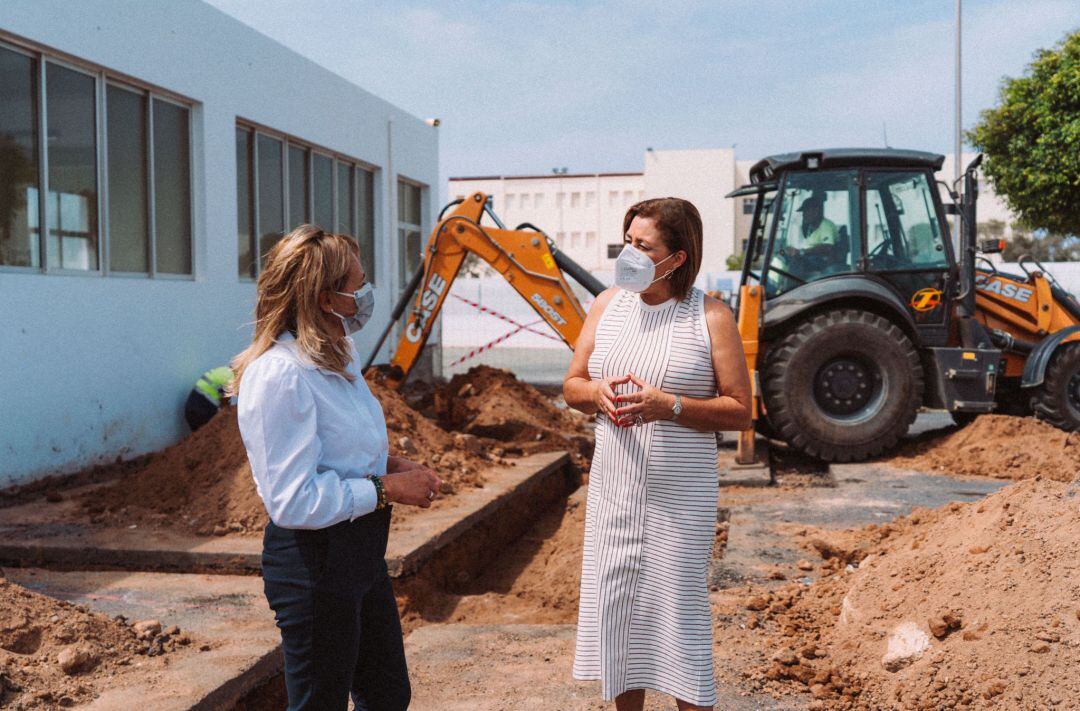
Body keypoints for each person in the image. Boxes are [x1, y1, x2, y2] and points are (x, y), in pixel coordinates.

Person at [231, 225, 441, 711]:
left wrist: (391, 464)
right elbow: (293, 500)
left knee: (387, 695)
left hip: (359, 554)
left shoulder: (336, 352)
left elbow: (338, 448)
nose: (366, 293)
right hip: (315, 565)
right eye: (358, 283)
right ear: (327, 298)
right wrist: (388, 487)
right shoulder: (280, 374)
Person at [564, 198, 753, 711]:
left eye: (643, 246)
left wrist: (667, 405)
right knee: (619, 613)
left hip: (678, 497)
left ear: (677, 258)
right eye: (628, 240)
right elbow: (572, 384)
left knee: (677, 616)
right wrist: (597, 393)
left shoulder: (710, 316)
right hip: (615, 491)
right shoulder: (606, 305)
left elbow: (740, 410)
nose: (629, 253)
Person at [183, 365, 233, 432]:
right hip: (204, 411)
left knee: (200, 437)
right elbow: (225, 403)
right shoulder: (231, 377)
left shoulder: (222, 370)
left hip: (190, 408)